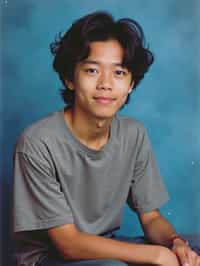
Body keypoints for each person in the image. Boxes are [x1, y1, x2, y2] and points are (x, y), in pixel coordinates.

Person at [12, 11, 200, 266]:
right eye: (92, 70)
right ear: (70, 78)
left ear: (131, 83)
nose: (106, 84)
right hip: (51, 258)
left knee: (192, 247)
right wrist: (156, 255)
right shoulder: (37, 143)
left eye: (119, 73)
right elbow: (68, 245)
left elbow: (151, 218)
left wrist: (175, 243)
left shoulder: (134, 134)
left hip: (107, 244)